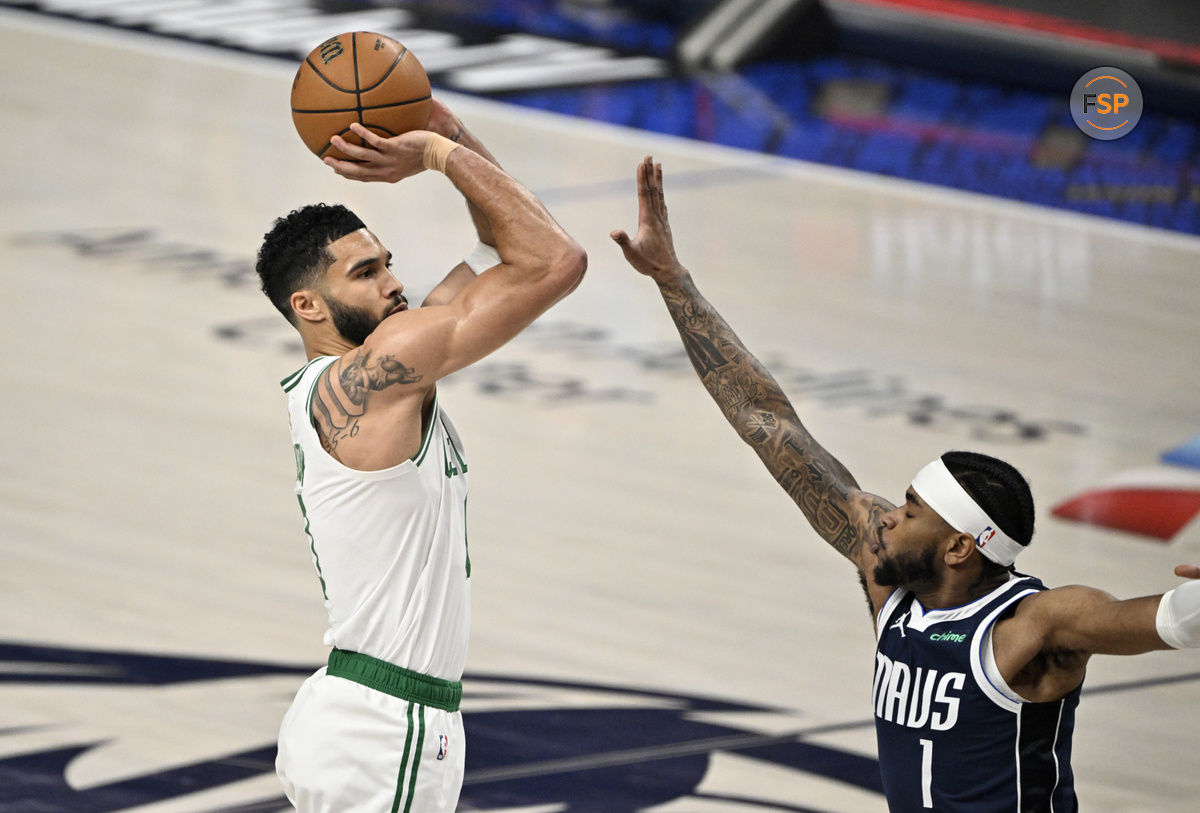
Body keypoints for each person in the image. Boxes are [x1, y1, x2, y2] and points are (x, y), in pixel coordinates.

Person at [610, 156, 1200, 811]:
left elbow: (1156, 620)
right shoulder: (890, 580)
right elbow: (766, 420)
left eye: (912, 511)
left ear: (959, 546)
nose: (886, 516)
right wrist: (673, 280)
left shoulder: (1033, 623)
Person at [255, 100, 586, 812]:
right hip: (384, 725)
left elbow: (509, 249)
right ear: (309, 306)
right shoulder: (374, 374)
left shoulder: (378, 369)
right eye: (366, 272)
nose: (394, 282)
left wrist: (449, 130)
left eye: (389, 264)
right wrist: (436, 156)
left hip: (363, 715)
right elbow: (558, 261)